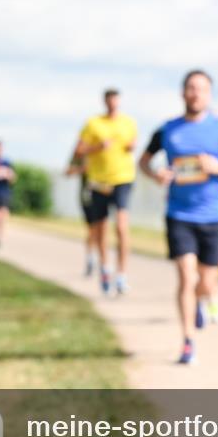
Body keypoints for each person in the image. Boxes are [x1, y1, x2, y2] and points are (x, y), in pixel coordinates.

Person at [140, 70, 218, 364]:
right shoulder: (168, 130)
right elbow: (143, 160)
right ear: (183, 93)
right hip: (179, 214)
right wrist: (156, 174)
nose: (195, 93)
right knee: (186, 276)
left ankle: (203, 301)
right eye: (191, 88)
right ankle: (188, 340)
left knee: (206, 281)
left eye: (201, 89)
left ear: (208, 94)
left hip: (212, 215)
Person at [74, 88, 137, 295]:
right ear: (104, 102)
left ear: (119, 102)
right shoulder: (93, 123)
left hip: (123, 178)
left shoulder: (128, 122)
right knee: (100, 228)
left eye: (116, 102)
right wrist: (98, 147)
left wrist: (131, 147)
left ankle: (122, 274)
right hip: (98, 181)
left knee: (121, 226)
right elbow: (79, 150)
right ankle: (105, 267)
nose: (113, 105)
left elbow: (133, 143)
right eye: (110, 101)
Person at [65, 151, 99, 277]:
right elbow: (67, 172)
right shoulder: (80, 152)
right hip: (87, 197)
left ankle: (99, 261)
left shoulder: (103, 149)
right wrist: (83, 169)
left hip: (104, 194)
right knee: (92, 229)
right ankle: (90, 259)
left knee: (100, 228)